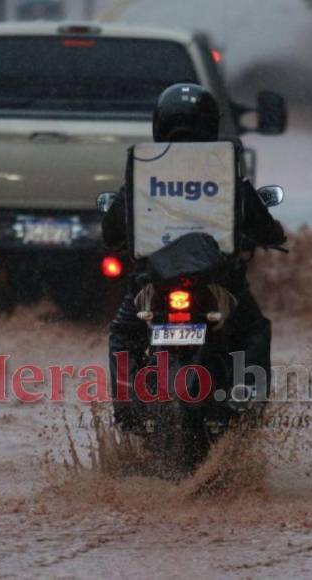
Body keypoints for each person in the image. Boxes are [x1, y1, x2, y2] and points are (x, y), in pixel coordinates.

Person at [102, 83, 286, 432]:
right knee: (253, 329)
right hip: (218, 281)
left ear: (160, 124)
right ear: (210, 124)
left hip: (152, 280)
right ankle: (248, 403)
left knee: (124, 333)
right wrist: (271, 235)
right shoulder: (226, 174)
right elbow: (266, 228)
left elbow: (111, 232)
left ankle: (127, 412)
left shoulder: (143, 174)